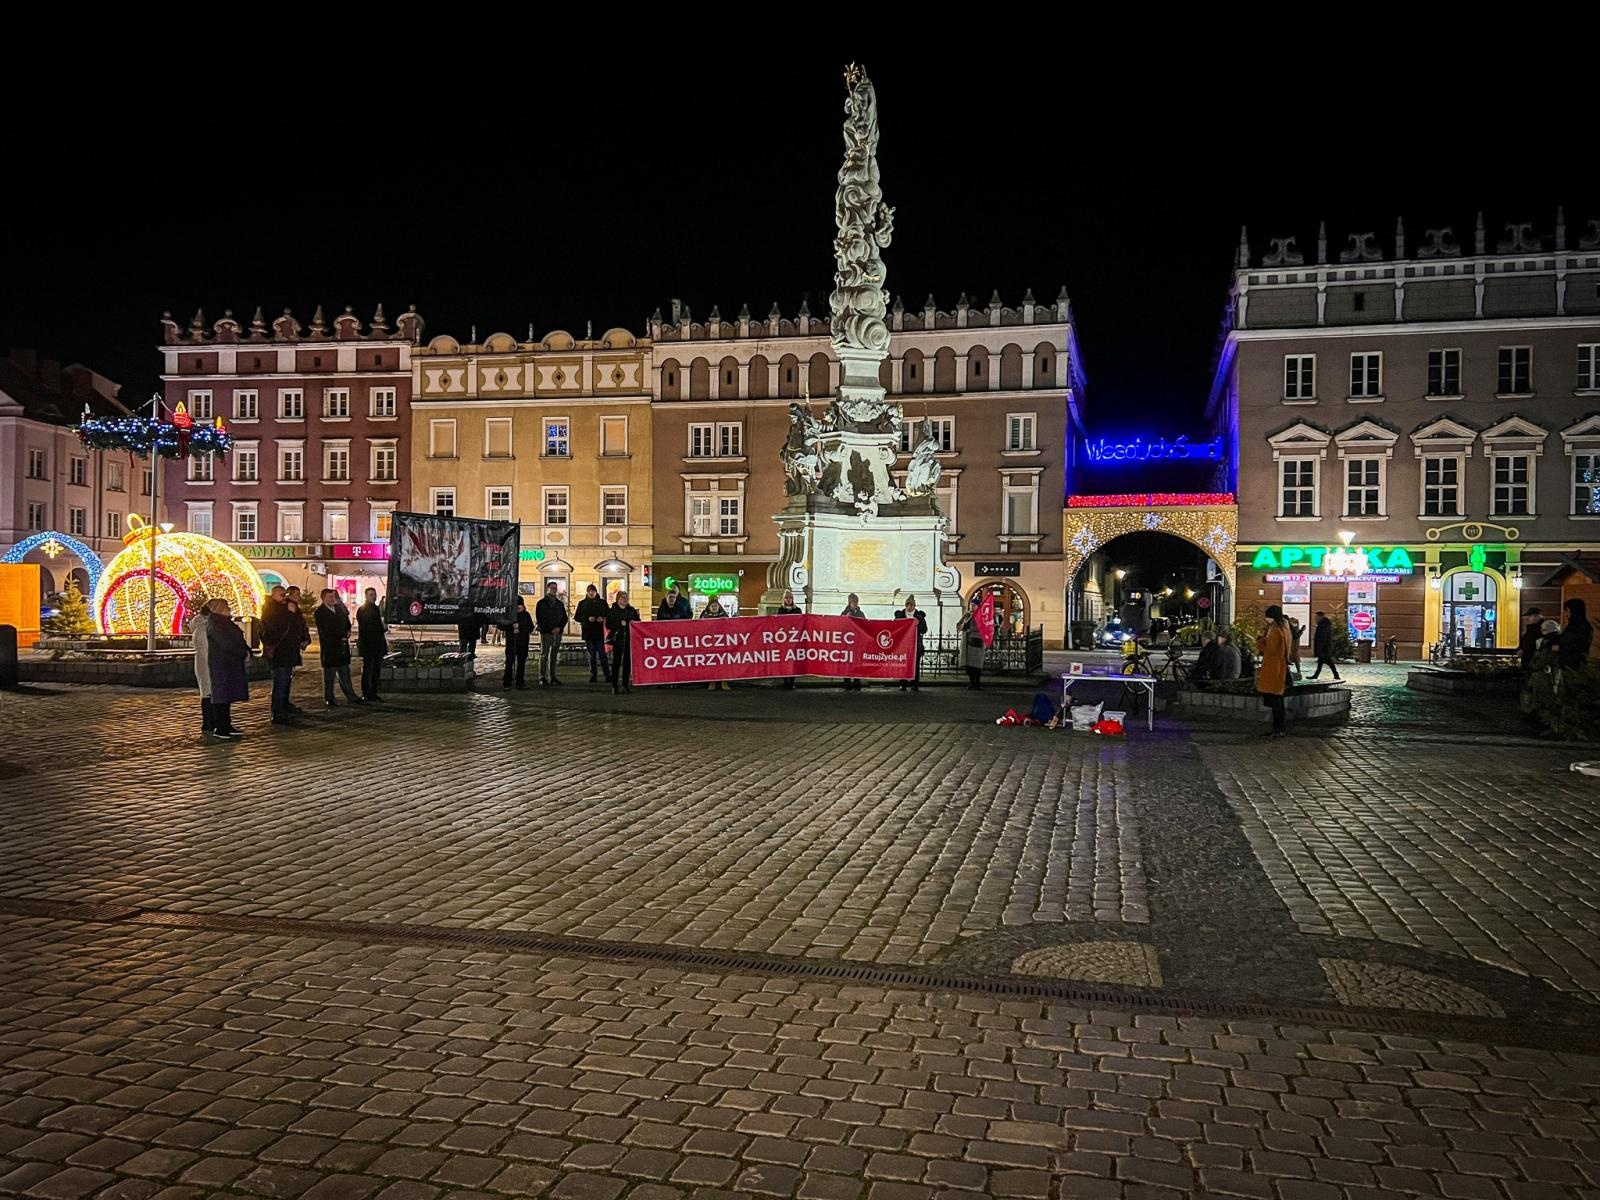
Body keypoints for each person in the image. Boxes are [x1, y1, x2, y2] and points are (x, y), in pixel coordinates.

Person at [205, 598, 250, 739]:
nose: (228, 609)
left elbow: (236, 639)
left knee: (227, 694)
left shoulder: (223, 622)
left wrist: (246, 651)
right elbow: (226, 643)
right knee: (221, 695)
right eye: (226, 606)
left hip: (229, 663)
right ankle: (220, 727)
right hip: (222, 664)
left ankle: (227, 725)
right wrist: (242, 653)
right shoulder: (216, 624)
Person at [314, 589, 364, 707]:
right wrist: (340, 635)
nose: (332, 599)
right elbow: (326, 630)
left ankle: (351, 696)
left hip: (342, 647)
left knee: (345, 673)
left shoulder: (339, 609)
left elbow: (347, 622)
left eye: (333, 596)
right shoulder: (320, 613)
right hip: (330, 648)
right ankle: (329, 697)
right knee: (329, 675)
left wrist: (347, 631)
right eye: (329, 597)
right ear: (323, 598)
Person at [261, 589, 304, 722]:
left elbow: (298, 625)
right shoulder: (270, 609)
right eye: (281, 595)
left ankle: (284, 704)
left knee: (287, 680)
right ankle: (277, 711)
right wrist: (289, 613)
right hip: (279, 651)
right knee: (281, 681)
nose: (285, 597)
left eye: (286, 594)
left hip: (289, 650)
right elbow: (277, 627)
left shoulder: (286, 607)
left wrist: (303, 638)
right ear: (273, 595)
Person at [1255, 604, 1292, 738]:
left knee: (1275, 701)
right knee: (1278, 699)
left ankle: (1278, 729)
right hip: (1280, 666)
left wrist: (1260, 642)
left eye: (1267, 616)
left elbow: (1270, 650)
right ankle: (1278, 728)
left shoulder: (1275, 630)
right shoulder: (1284, 628)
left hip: (1273, 667)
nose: (1266, 619)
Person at [189, 599, 216, 734]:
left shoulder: (204, 626)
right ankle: (209, 721)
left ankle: (211, 719)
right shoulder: (202, 629)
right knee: (207, 691)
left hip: (205, 663)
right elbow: (207, 650)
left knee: (208, 690)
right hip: (206, 664)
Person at [575, 584, 612, 684]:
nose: (591, 593)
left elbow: (608, 614)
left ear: (596, 592)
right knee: (592, 655)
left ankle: (607, 675)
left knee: (602, 655)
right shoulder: (582, 603)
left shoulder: (602, 602)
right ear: (587, 592)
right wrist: (587, 619)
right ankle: (593, 675)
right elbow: (577, 616)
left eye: (593, 591)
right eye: (589, 591)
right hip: (588, 632)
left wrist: (603, 618)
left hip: (600, 632)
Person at [533, 582, 568, 685]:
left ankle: (553, 676)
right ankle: (542, 677)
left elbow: (564, 618)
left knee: (554, 655)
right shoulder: (541, 603)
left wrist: (559, 628)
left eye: (555, 588)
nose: (554, 590)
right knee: (544, 654)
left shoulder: (559, 604)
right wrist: (550, 628)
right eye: (552, 588)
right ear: (547, 589)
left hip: (557, 633)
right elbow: (540, 618)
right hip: (546, 633)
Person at [607, 589, 641, 694]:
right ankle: (614, 685)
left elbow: (638, 622)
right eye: (623, 597)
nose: (625, 599)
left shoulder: (631, 610)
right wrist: (618, 623)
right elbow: (608, 625)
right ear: (618, 599)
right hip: (618, 639)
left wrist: (634, 621)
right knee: (616, 663)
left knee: (627, 663)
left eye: (627, 597)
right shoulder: (613, 611)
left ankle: (625, 685)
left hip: (629, 639)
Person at [356, 587, 387, 701]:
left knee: (374, 670)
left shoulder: (375, 608)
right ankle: (368, 693)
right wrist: (382, 628)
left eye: (374, 594)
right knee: (369, 670)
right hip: (369, 645)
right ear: (366, 596)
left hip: (376, 645)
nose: (373, 596)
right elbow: (367, 628)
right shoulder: (364, 610)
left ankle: (372, 692)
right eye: (370, 595)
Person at [700, 596, 733, 690]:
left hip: (722, 643)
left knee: (724, 663)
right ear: (709, 607)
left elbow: (729, 627)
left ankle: (724, 682)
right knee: (711, 662)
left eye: (716, 606)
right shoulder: (704, 616)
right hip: (709, 643)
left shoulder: (724, 616)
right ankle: (712, 682)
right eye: (712, 606)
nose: (714, 608)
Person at [957, 593, 986, 691]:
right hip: (967, 642)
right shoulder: (967, 615)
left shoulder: (981, 616)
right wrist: (962, 626)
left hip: (977, 641)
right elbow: (959, 624)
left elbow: (982, 628)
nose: (972, 607)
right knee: (968, 665)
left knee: (976, 665)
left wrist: (970, 629)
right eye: (971, 605)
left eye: (974, 605)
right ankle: (971, 682)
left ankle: (976, 682)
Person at [899, 594, 927, 692]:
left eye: (911, 605)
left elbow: (924, 630)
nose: (909, 607)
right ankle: (903, 684)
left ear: (914, 606)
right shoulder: (901, 615)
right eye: (907, 605)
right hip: (903, 644)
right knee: (903, 664)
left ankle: (914, 683)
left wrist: (918, 624)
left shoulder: (919, 616)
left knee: (915, 664)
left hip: (915, 643)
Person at [776, 589, 803, 688]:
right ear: (784, 599)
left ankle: (791, 681)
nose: (788, 599)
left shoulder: (797, 610)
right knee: (784, 661)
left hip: (794, 640)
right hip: (784, 640)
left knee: (793, 662)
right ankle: (785, 681)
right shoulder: (781, 610)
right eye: (786, 598)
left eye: (790, 597)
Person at [504, 597, 534, 688]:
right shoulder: (509, 615)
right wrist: (511, 627)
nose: (519, 608)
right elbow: (501, 626)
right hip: (511, 642)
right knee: (509, 662)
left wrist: (520, 629)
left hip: (523, 642)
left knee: (521, 662)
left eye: (520, 606)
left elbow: (530, 628)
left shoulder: (526, 615)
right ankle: (507, 681)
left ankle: (520, 681)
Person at [1559, 597, 1593, 671]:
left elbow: (1581, 645)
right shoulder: (1571, 625)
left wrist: (1560, 648)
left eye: (1567, 611)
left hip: (1575, 665)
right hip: (1566, 664)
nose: (1566, 614)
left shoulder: (1583, 627)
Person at [840, 593, 866, 690]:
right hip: (847, 642)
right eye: (853, 602)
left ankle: (857, 681)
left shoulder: (860, 613)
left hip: (857, 642)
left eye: (856, 602)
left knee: (857, 662)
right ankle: (847, 682)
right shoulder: (844, 612)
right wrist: (846, 618)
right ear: (849, 602)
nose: (855, 603)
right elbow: (840, 625)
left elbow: (865, 625)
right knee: (847, 662)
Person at [1307, 611, 1341, 681]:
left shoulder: (1323, 625)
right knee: (1325, 662)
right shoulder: (1324, 624)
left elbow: (1322, 637)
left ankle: (1335, 675)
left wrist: (1320, 648)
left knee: (1327, 661)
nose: (1315, 619)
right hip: (1324, 647)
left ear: (1320, 617)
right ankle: (1335, 675)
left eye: (1316, 617)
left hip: (1324, 647)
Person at [1519, 607, 1545, 673]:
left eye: (1530, 616)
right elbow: (1524, 641)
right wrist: (1520, 648)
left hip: (1535, 661)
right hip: (1529, 659)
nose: (1528, 618)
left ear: (1537, 616)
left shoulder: (1542, 629)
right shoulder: (1530, 629)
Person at [1286, 617, 1303, 682]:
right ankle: (1295, 672)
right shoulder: (1291, 628)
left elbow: (1296, 636)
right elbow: (1296, 636)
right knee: (1294, 659)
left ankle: (1297, 671)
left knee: (1295, 659)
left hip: (1293, 647)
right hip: (1292, 646)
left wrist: (1301, 631)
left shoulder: (1292, 628)